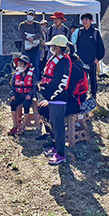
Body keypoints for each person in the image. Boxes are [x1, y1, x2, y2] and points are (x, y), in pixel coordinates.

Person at [39, 35, 72, 165]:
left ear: (57, 48)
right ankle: (56, 147)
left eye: (52, 46)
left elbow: (61, 82)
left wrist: (49, 94)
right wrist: (42, 86)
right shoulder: (55, 58)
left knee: (58, 126)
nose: (51, 48)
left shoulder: (63, 61)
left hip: (58, 98)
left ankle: (61, 154)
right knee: (53, 123)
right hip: (52, 97)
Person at [75, 12, 105, 99]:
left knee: (92, 77)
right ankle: (83, 93)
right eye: (83, 20)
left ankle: (93, 94)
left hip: (92, 59)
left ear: (91, 21)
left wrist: (98, 58)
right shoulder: (80, 32)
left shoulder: (95, 32)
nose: (84, 21)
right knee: (82, 77)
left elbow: (101, 47)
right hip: (82, 59)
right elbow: (78, 44)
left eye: (86, 19)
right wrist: (78, 55)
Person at [8, 55, 37, 135]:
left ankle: (23, 126)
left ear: (26, 65)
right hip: (18, 94)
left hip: (27, 95)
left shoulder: (32, 75)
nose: (19, 66)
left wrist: (30, 95)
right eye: (18, 64)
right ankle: (15, 124)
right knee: (13, 104)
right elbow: (12, 86)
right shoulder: (15, 74)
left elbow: (34, 87)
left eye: (21, 64)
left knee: (26, 104)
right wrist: (12, 94)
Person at [18, 8, 43, 80]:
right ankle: (24, 80)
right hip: (25, 49)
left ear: (34, 16)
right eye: (29, 14)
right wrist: (28, 38)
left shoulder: (37, 24)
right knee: (24, 65)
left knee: (36, 66)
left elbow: (40, 34)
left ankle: (36, 81)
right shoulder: (22, 25)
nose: (30, 16)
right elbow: (21, 35)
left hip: (36, 49)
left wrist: (34, 38)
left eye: (32, 15)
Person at [66, 43, 88, 116]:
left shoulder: (73, 67)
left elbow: (70, 91)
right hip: (77, 97)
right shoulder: (75, 62)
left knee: (46, 109)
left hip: (76, 101)